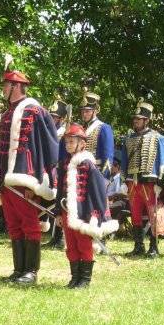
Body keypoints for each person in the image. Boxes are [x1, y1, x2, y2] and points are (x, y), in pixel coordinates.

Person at [0, 55, 59, 285]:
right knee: (13, 224)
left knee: (29, 223)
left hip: (26, 178)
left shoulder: (34, 111)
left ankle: (31, 271)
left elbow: (46, 146)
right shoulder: (7, 113)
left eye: (6, 85)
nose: (3, 88)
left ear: (16, 86)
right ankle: (19, 269)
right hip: (6, 180)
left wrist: (38, 181)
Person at [54, 123, 119, 288]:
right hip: (66, 210)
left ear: (82, 143)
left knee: (84, 245)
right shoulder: (64, 163)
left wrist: (97, 214)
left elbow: (98, 192)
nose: (68, 145)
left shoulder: (88, 164)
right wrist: (58, 213)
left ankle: (85, 279)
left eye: (71, 141)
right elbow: (60, 190)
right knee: (71, 245)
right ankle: (74, 278)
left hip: (84, 213)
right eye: (66, 142)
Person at [120, 99, 164, 258]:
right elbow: (125, 161)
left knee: (153, 214)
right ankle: (138, 246)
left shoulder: (158, 138)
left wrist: (161, 182)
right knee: (135, 214)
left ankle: (154, 246)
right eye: (135, 119)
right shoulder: (128, 139)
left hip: (150, 182)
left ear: (147, 120)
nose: (135, 121)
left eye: (139, 119)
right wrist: (124, 180)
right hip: (133, 182)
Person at [45, 99, 70, 248]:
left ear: (61, 119)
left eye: (55, 117)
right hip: (49, 169)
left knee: (59, 201)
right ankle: (55, 236)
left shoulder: (63, 132)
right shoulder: (49, 131)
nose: (52, 119)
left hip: (59, 170)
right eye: (51, 116)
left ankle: (59, 237)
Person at [79, 88, 115, 176]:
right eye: (82, 111)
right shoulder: (81, 129)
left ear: (95, 111)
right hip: (80, 172)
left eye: (87, 111)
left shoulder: (104, 128)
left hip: (95, 173)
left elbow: (107, 157)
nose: (84, 114)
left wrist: (103, 178)